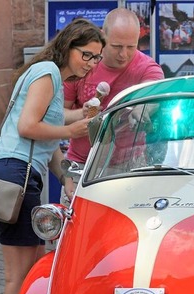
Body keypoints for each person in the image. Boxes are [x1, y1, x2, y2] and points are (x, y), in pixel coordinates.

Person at [0, 18, 105, 294]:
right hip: (16, 176)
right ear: (68, 46)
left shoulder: (50, 77)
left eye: (96, 59)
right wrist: (71, 129)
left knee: (30, 268)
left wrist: (65, 176)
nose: (91, 63)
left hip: (18, 173)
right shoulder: (47, 72)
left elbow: (44, 141)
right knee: (17, 277)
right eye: (87, 55)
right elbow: (27, 128)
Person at [62, 7, 164, 204]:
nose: (123, 55)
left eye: (131, 47)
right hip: (82, 164)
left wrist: (141, 109)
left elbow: (152, 95)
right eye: (116, 46)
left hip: (129, 165)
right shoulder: (82, 65)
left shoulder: (147, 67)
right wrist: (80, 114)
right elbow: (59, 114)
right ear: (102, 36)